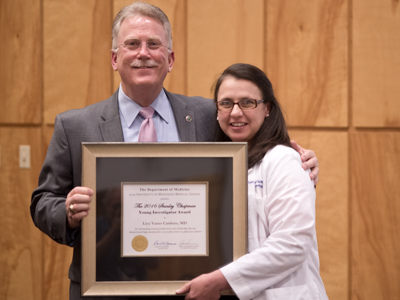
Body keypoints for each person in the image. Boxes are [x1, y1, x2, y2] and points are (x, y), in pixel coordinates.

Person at [30, 2, 319, 299]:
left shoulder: (209, 114)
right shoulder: (75, 126)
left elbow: (257, 148)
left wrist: (300, 161)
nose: (144, 53)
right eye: (132, 44)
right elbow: (43, 201)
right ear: (115, 58)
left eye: (154, 44)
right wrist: (67, 212)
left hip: (190, 288)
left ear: (170, 59)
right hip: (106, 287)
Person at [176, 63, 328, 300]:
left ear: (267, 108)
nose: (235, 112)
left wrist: (219, 280)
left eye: (247, 102)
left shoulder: (284, 159)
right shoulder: (220, 167)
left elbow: (293, 243)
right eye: (226, 103)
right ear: (216, 111)